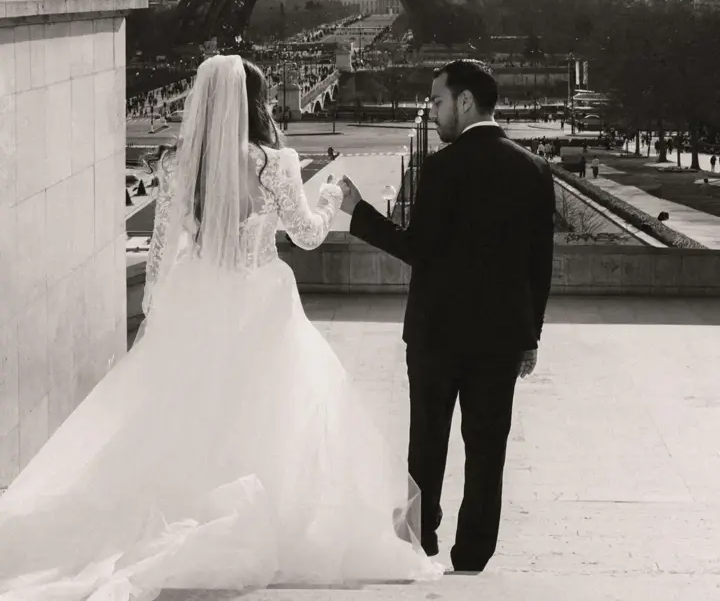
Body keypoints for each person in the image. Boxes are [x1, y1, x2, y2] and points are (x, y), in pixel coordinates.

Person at [0, 56, 441, 599]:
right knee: (275, 412)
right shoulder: (274, 161)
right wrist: (330, 200)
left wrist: (158, 317)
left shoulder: (176, 163)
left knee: (192, 412)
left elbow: (160, 253)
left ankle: (189, 503)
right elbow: (305, 236)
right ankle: (264, 510)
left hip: (199, 291)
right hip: (262, 297)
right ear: (254, 101)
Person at [338, 59, 555, 574]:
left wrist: (358, 213)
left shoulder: (441, 167)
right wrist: (532, 337)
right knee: (487, 453)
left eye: (437, 101)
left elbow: (420, 250)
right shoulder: (534, 169)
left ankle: (419, 539)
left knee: (426, 445)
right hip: (502, 336)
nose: (431, 111)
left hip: (438, 333)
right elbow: (539, 268)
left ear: (464, 102)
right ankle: (473, 555)